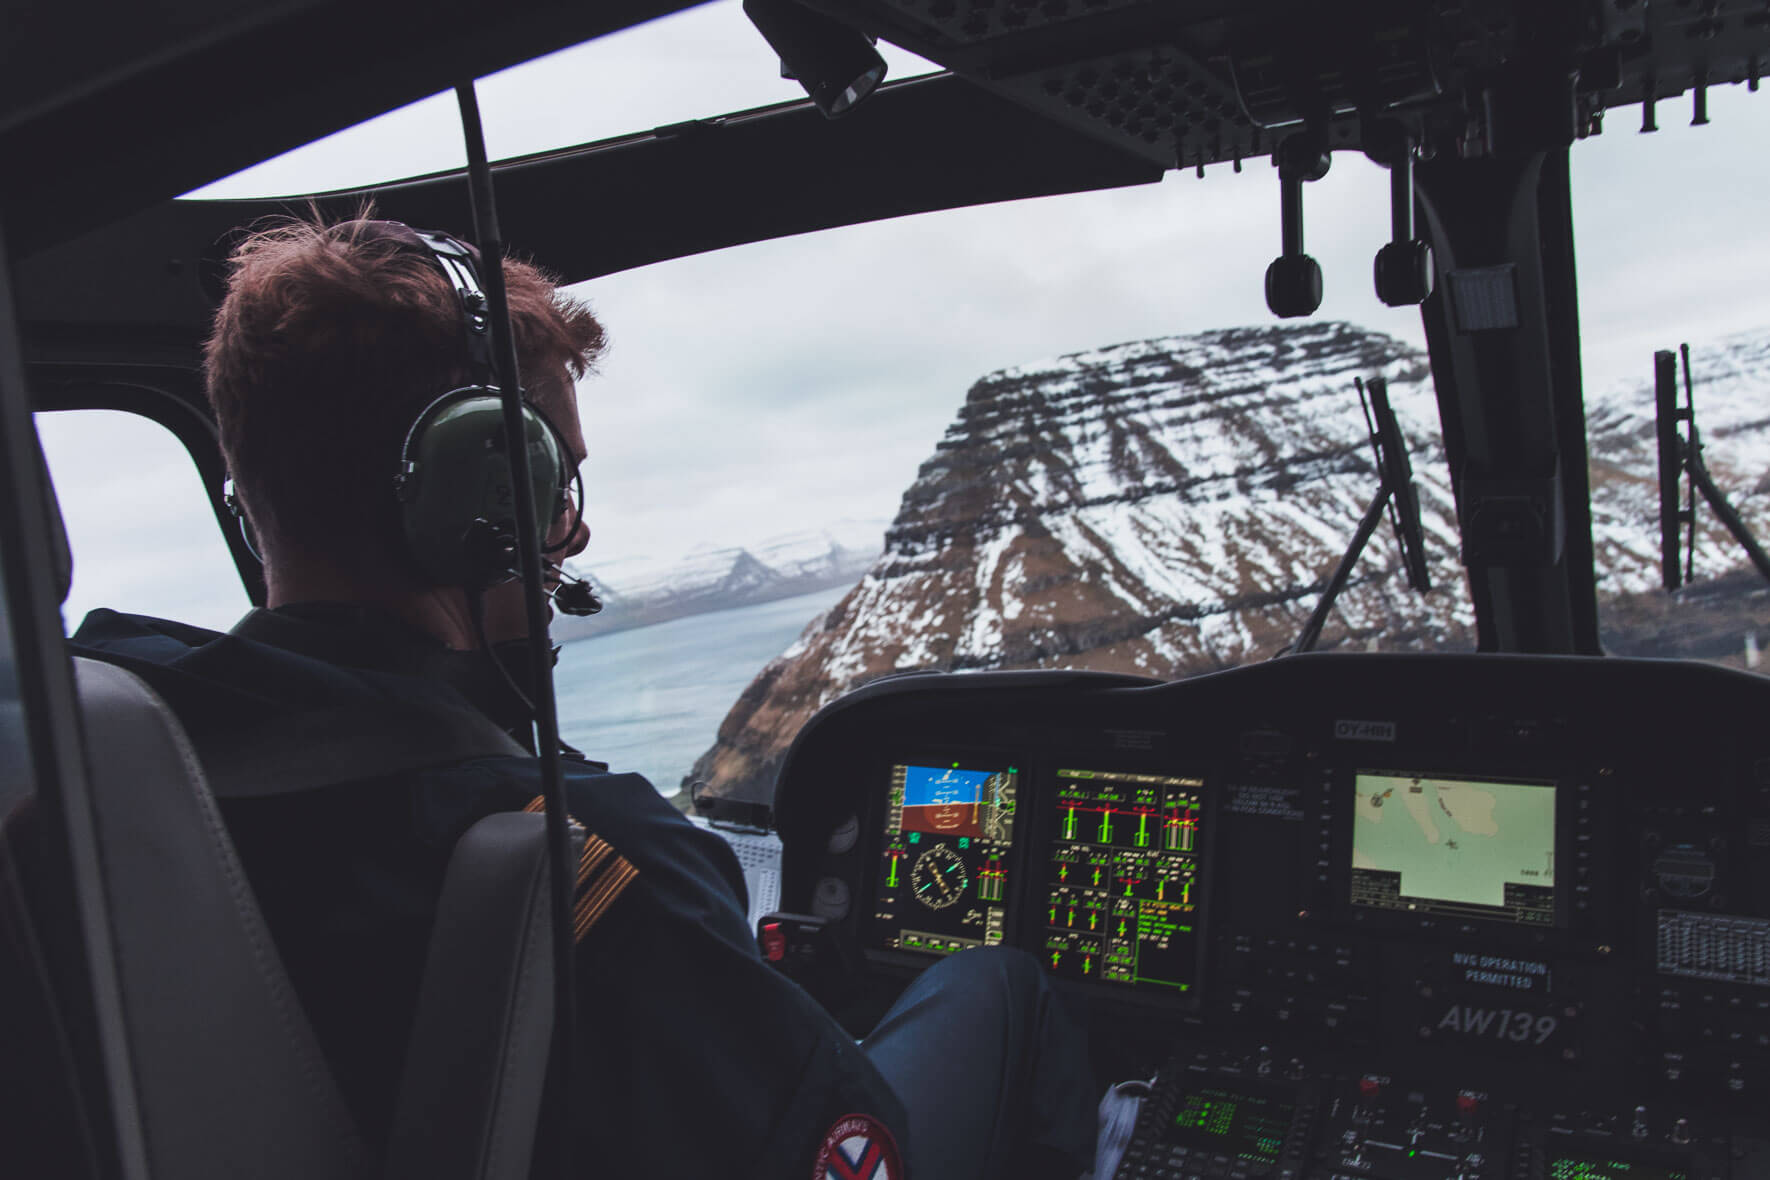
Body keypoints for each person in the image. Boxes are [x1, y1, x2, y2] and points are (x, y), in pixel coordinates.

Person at [69, 216, 1098, 1179]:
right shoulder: (584, 868)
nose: (575, 529)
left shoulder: (100, 761)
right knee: (996, 984)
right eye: (553, 480)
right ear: (475, 494)